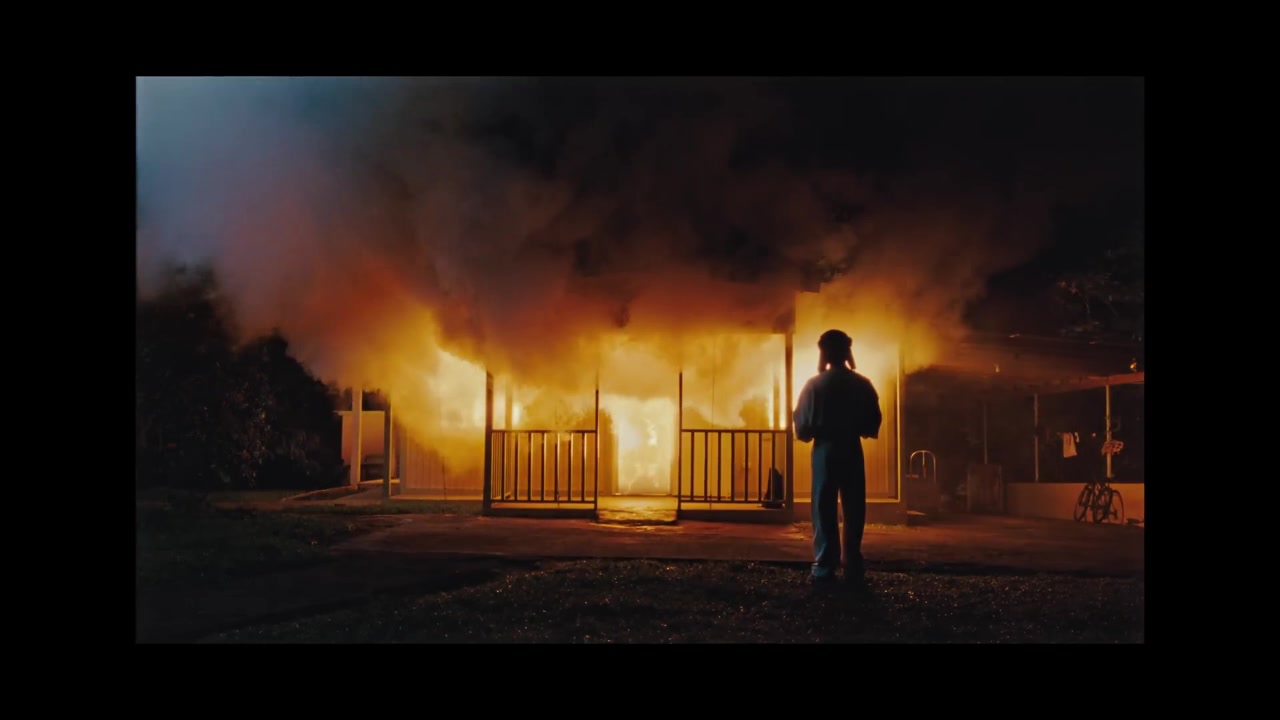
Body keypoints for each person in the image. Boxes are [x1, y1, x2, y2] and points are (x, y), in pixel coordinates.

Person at [793, 329, 883, 585]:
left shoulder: (815, 385)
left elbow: (803, 427)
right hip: (851, 447)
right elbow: (872, 422)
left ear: (823, 353)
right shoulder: (862, 384)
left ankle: (824, 566)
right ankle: (852, 564)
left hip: (825, 449)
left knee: (823, 507)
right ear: (847, 352)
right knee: (854, 506)